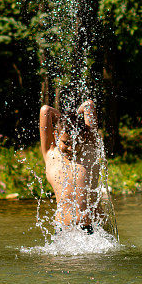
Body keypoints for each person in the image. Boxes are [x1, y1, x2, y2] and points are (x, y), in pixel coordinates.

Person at [39, 99, 103, 233]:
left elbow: (88, 104)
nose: (71, 148)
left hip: (92, 231)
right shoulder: (51, 155)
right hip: (63, 232)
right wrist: (64, 120)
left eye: (76, 142)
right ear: (56, 135)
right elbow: (45, 110)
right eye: (66, 143)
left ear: (84, 136)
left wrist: (74, 117)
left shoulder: (90, 151)